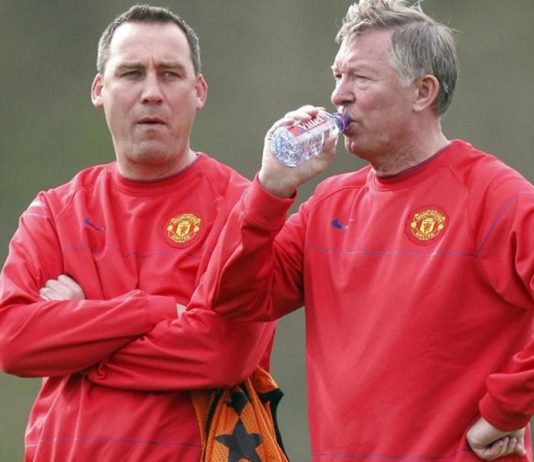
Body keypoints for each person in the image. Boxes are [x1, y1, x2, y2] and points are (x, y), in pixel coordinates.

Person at [196, 0, 534, 460]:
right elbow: (232, 298)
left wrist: (507, 408)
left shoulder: (493, 195)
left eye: (360, 78)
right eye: (338, 76)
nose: (339, 95)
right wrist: (269, 190)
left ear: (423, 92)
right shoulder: (329, 204)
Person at [0, 5, 277, 461]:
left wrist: (81, 332)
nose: (151, 93)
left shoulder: (244, 210)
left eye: (169, 74)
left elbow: (222, 353)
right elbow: (13, 341)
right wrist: (154, 310)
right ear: (99, 89)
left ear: (198, 91)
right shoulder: (54, 212)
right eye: (131, 73)